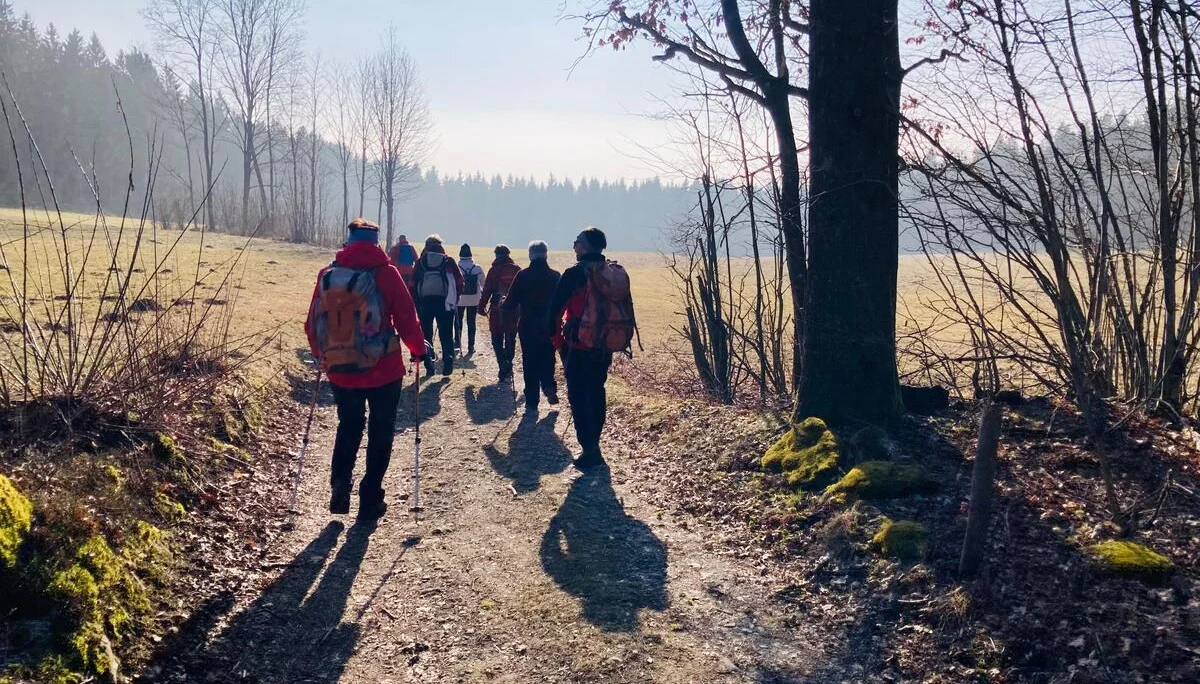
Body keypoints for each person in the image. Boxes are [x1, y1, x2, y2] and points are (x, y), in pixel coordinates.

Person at [305, 218, 430, 520]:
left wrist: (323, 355)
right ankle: (370, 497)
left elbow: (312, 324)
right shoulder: (386, 274)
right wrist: (419, 349)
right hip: (383, 369)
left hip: (340, 368)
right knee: (381, 429)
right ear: (376, 242)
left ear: (348, 240)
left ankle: (339, 486)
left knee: (348, 425)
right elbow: (406, 318)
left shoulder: (329, 273)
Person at [550, 226, 635, 470]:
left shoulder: (575, 274)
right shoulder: (612, 273)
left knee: (578, 395)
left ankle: (589, 449)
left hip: (577, 345)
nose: (574, 246)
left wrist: (557, 343)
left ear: (585, 246)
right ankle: (594, 444)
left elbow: (553, 311)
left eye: (576, 241)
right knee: (597, 391)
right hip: (604, 343)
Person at [502, 240, 561, 412]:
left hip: (527, 326)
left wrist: (501, 302)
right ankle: (549, 385)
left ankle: (532, 400)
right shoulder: (555, 276)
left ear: (530, 255)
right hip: (549, 326)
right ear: (546, 255)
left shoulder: (523, 275)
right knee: (548, 357)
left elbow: (510, 303)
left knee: (529, 361)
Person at [412, 234, 464, 376]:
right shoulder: (448, 261)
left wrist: (416, 302)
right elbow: (460, 281)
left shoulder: (421, 262)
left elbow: (412, 283)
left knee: (426, 333)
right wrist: (456, 298)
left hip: (424, 303)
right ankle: (448, 358)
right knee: (446, 333)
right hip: (445, 302)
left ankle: (429, 364)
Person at [478, 244, 521, 382]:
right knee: (511, 337)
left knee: (496, 338)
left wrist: (481, 306)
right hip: (514, 309)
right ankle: (508, 362)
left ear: (496, 255)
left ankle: (503, 364)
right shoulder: (517, 270)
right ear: (508, 254)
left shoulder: (494, 270)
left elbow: (487, 290)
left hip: (497, 309)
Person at [455, 243, 485, 356]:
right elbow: (483, 284)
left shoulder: (456, 267)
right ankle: (471, 346)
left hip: (459, 299)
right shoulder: (477, 268)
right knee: (471, 322)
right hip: (474, 299)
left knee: (458, 322)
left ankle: (457, 343)